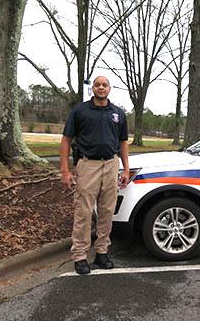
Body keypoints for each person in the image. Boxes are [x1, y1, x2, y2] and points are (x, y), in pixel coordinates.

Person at [60, 76, 130, 275]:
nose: (101, 87)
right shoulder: (80, 111)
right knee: (83, 212)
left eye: (104, 85)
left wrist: (125, 169)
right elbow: (66, 140)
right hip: (87, 165)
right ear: (93, 89)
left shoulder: (118, 114)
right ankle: (80, 256)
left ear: (109, 89)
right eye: (97, 85)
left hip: (111, 165)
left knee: (107, 212)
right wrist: (65, 172)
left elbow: (123, 142)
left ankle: (101, 252)